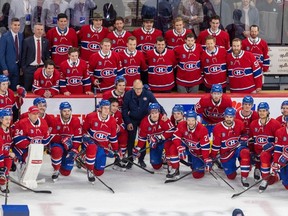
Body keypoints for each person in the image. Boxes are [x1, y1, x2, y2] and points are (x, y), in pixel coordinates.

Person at [122, 79, 167, 168]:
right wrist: (128, 122)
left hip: (144, 119)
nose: (138, 90)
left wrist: (164, 113)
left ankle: (141, 159)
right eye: (136, 88)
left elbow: (157, 104)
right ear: (133, 88)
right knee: (131, 140)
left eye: (140, 88)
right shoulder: (128, 95)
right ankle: (130, 160)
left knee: (142, 139)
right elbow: (124, 110)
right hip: (132, 119)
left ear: (142, 87)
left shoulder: (148, 94)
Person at [211, 107, 251, 188]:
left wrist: (244, 137)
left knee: (245, 153)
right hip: (226, 152)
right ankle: (229, 167)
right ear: (224, 116)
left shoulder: (239, 123)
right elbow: (216, 145)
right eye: (227, 116)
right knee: (231, 176)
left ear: (234, 117)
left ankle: (244, 177)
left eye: (231, 117)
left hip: (238, 148)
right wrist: (212, 157)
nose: (229, 119)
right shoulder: (218, 128)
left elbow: (244, 133)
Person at [82, 100, 119, 183]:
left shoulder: (112, 120)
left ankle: (89, 162)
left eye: (108, 108)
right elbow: (83, 130)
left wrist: (116, 150)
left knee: (99, 172)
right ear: (100, 109)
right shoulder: (91, 117)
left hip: (102, 146)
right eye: (104, 108)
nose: (107, 110)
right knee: (92, 148)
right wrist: (85, 137)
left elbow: (113, 137)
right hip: (90, 143)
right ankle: (88, 167)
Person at [166, 110, 210, 180]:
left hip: (196, 152)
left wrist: (206, 159)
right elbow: (175, 137)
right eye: (188, 120)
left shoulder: (202, 129)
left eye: (192, 120)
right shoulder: (182, 125)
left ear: (196, 120)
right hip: (186, 147)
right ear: (186, 119)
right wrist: (179, 146)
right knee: (173, 148)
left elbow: (205, 147)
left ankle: (194, 164)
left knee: (197, 175)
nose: (190, 123)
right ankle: (175, 169)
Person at [249, 102, 281, 192]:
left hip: (270, 153)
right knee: (246, 154)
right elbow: (252, 140)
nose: (262, 113)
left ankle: (265, 179)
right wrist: (251, 151)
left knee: (264, 156)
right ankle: (257, 168)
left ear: (268, 112)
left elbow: (280, 141)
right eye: (260, 111)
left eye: (264, 111)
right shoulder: (253, 124)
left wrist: (272, 145)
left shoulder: (275, 124)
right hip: (257, 152)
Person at [133, 103, 174, 170]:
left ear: (159, 112)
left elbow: (172, 131)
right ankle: (161, 159)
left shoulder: (163, 118)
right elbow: (142, 138)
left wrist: (159, 137)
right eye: (152, 113)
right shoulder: (144, 122)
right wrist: (137, 149)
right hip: (154, 145)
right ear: (149, 113)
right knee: (156, 166)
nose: (155, 115)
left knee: (168, 143)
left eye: (156, 112)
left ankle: (166, 157)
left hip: (165, 142)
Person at [50, 102, 82, 181]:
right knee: (56, 151)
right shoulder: (55, 121)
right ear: (60, 111)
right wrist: (62, 139)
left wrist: (74, 148)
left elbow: (78, 137)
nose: (67, 113)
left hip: (70, 147)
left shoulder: (76, 120)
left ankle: (62, 163)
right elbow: (51, 137)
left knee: (66, 173)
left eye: (68, 110)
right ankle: (56, 169)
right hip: (58, 145)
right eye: (64, 111)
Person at [21, 23, 50, 91]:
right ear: (33, 30)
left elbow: (47, 56)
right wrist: (24, 69)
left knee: (40, 89)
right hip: (29, 69)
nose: (40, 31)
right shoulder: (27, 41)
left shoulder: (46, 41)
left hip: (41, 68)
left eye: (41, 29)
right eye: (38, 29)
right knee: (27, 89)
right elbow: (23, 56)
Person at [0, 18, 23, 91]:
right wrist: (4, 68)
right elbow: (1, 54)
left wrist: (21, 67)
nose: (17, 27)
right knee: (5, 89)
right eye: (15, 25)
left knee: (14, 89)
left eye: (18, 25)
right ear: (10, 25)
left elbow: (21, 52)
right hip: (7, 68)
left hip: (17, 68)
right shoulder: (5, 37)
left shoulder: (21, 36)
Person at [108, 97, 128, 171]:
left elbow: (122, 125)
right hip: (103, 138)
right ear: (108, 105)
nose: (115, 108)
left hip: (113, 136)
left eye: (117, 106)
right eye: (113, 106)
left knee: (124, 135)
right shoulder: (103, 114)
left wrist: (118, 128)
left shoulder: (118, 113)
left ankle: (119, 159)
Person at [272, 116, 288, 190]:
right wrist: (276, 162)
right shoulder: (280, 132)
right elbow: (278, 149)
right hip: (284, 160)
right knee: (286, 185)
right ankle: (280, 175)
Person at [0, 108, 14, 193]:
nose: (8, 121)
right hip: (0, 156)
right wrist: (1, 166)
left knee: (9, 161)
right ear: (1, 119)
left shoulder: (10, 130)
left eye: (10, 119)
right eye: (6, 119)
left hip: (4, 155)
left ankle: (2, 183)